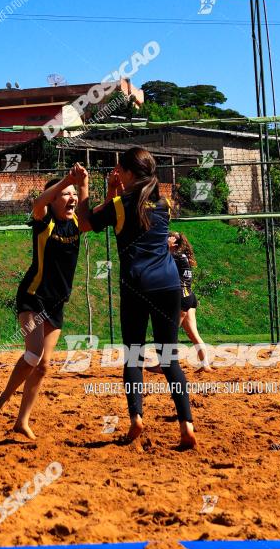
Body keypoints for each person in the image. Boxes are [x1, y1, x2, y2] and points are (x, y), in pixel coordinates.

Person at [78, 147, 196, 448]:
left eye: (121, 169)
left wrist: (84, 188)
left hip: (136, 283)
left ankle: (137, 419)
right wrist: (114, 192)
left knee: (134, 355)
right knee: (169, 359)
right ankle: (186, 427)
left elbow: (85, 223)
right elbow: (127, 213)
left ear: (129, 172)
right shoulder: (164, 202)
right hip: (168, 283)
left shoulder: (121, 203)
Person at [0, 164, 88, 439]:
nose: (71, 198)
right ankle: (3, 399)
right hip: (33, 297)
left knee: (43, 365)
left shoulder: (77, 223)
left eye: (73, 194)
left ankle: (22, 421)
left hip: (56, 304)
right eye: (65, 194)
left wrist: (84, 183)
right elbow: (38, 202)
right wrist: (68, 178)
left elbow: (88, 211)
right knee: (33, 354)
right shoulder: (45, 221)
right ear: (54, 199)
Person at [168, 231, 210, 369]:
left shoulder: (175, 256)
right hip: (189, 297)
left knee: (170, 333)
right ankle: (205, 364)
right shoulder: (182, 255)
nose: (165, 240)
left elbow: (158, 260)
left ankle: (164, 365)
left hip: (182, 297)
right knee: (193, 333)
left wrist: (167, 247)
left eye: (168, 238)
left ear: (174, 243)